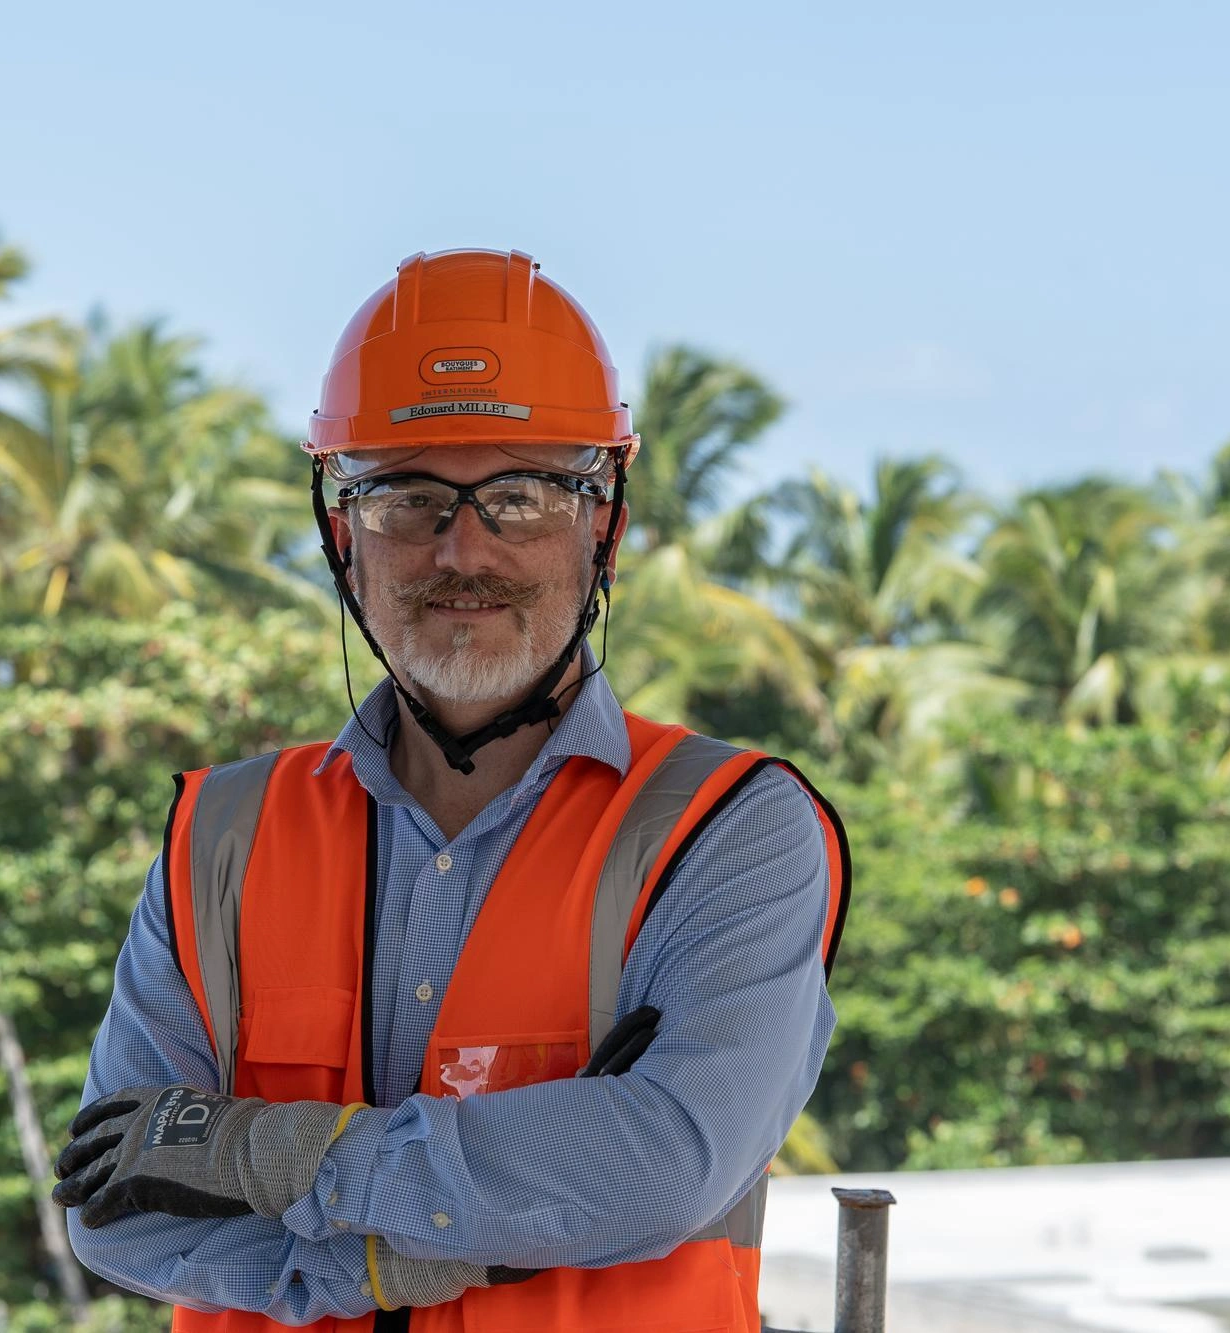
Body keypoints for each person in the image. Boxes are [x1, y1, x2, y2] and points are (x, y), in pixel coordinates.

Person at [53, 248, 850, 1332]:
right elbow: (111, 1207)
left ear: (600, 523)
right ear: (343, 533)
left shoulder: (727, 830)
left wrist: (266, 1148)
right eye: (406, 497)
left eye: (518, 496)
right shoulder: (222, 840)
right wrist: (389, 1264)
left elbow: (666, 1160)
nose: (460, 548)